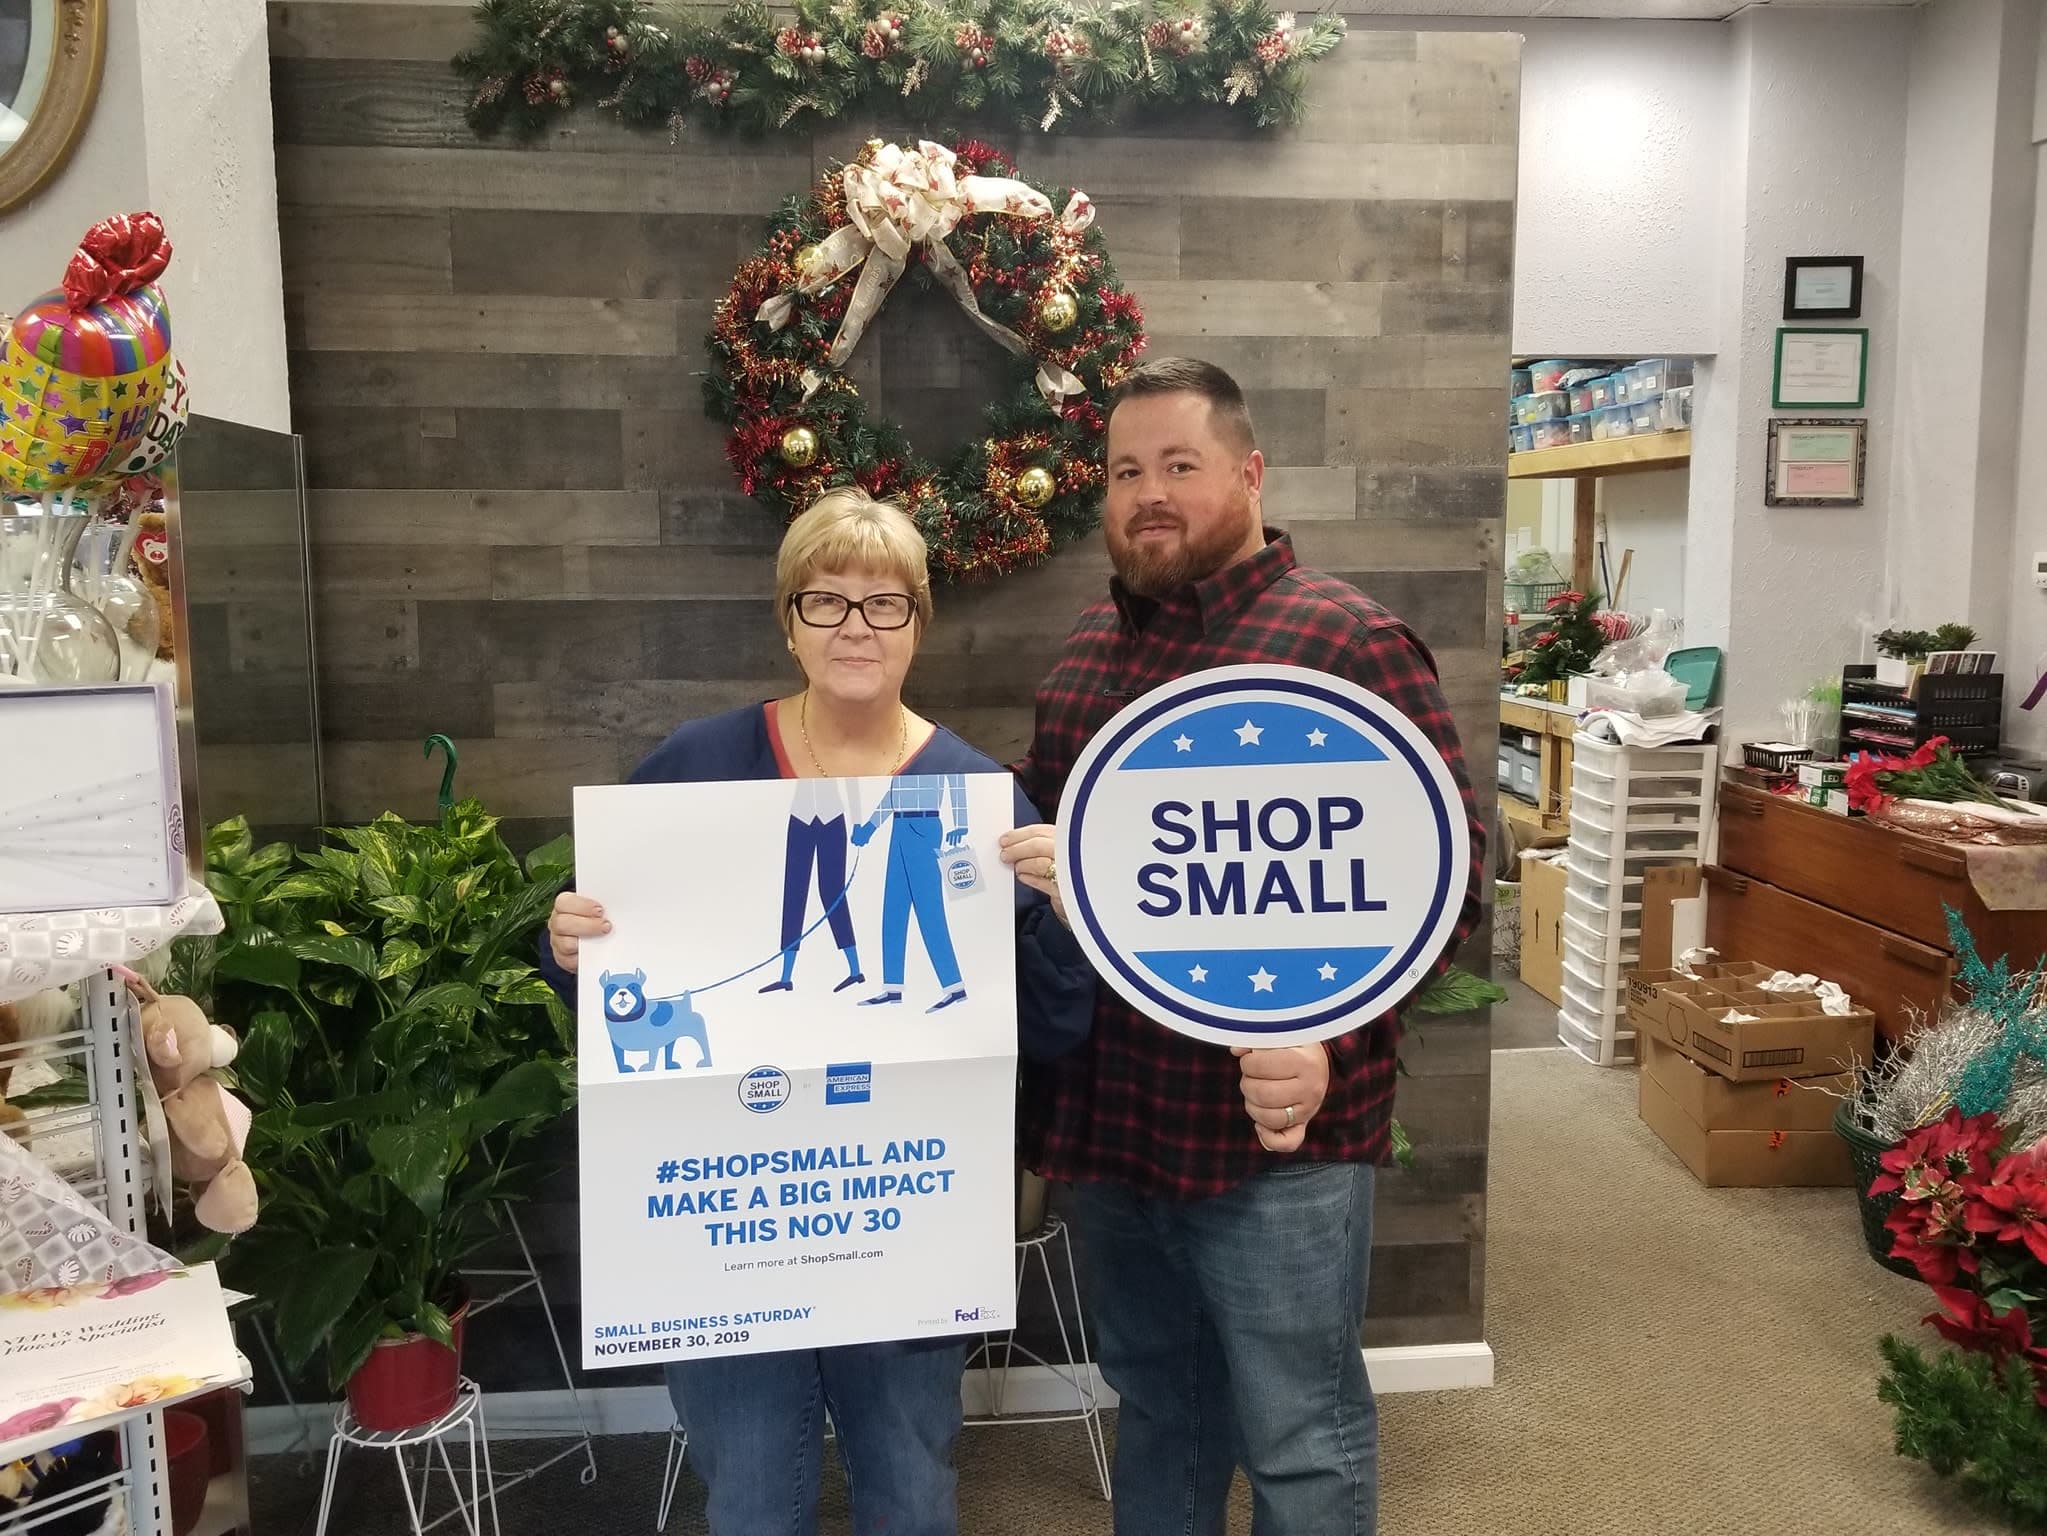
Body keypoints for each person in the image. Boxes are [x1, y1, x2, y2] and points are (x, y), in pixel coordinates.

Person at [543, 486, 1095, 1536]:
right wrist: (564, 942)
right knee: (750, 1493)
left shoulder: (976, 796)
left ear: (918, 624)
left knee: (912, 1485)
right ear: (787, 620)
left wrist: (1065, 914)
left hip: (903, 1211)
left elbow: (1056, 1026)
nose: (855, 626)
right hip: (725, 1213)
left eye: (884, 603)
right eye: (825, 601)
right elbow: (609, 975)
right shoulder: (695, 766)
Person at [999, 356, 1485, 1535]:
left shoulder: (1347, 644)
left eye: (1178, 465)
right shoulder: (1081, 662)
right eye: (1124, 471)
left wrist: (1333, 1036)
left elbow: (1456, 879)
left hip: (1276, 1135)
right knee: (1158, 1408)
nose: (1146, 494)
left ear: (1251, 473)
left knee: (1301, 1440)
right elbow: (1077, 894)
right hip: (1115, 1126)